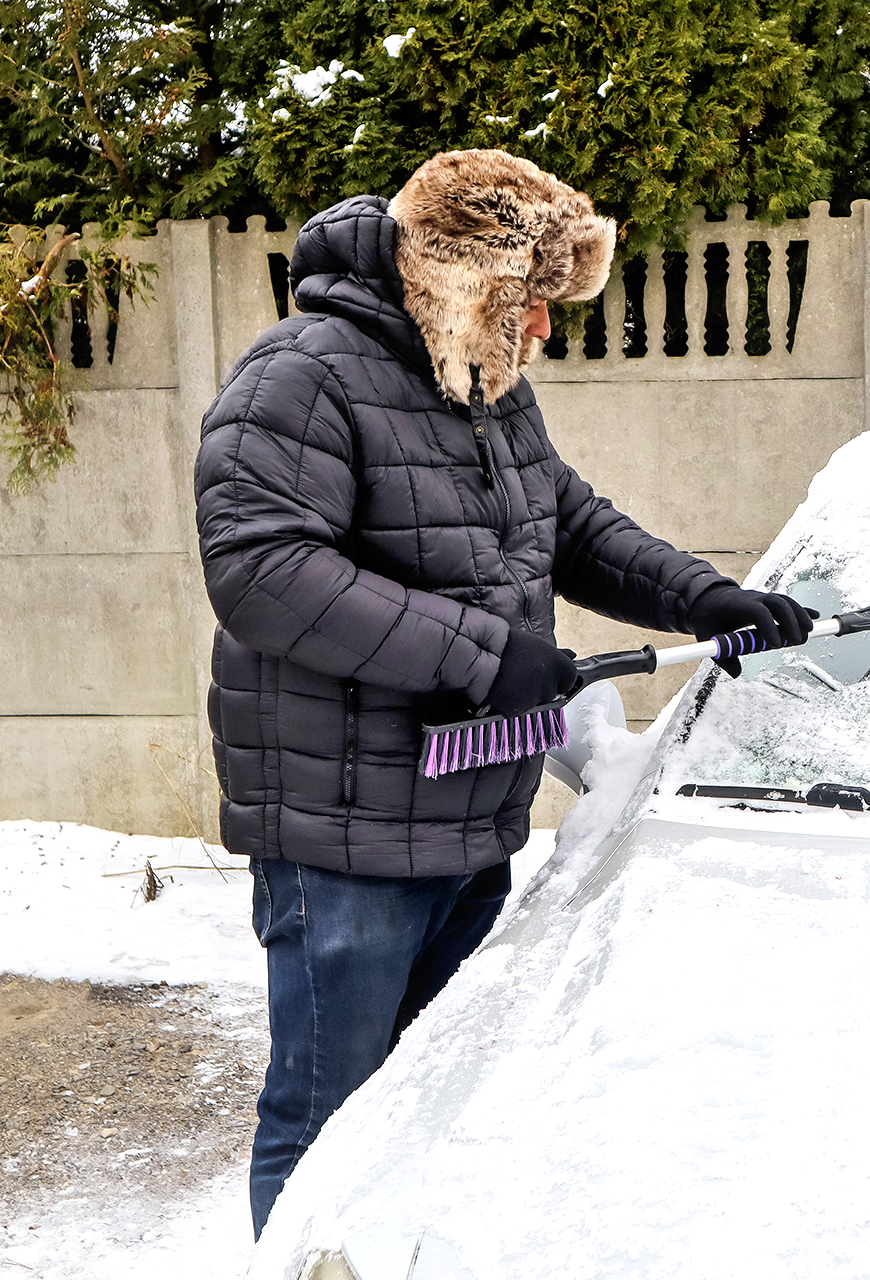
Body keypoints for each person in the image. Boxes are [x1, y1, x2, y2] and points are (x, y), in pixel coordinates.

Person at [193, 148, 813, 1235]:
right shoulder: (303, 375)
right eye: (530, 303)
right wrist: (484, 651)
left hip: (472, 812)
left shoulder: (487, 392)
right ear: (465, 283)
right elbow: (262, 572)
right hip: (345, 840)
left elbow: (570, 524)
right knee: (330, 1114)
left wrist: (706, 597)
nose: (542, 331)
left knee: (437, 1104)